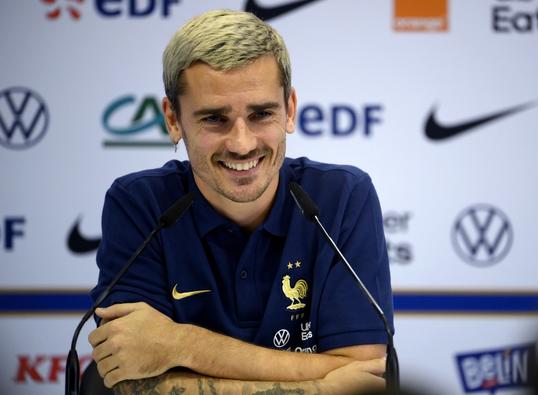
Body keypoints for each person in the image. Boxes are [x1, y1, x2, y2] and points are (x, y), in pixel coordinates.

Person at [87, 9, 394, 395]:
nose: (242, 143)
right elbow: (127, 381)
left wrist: (180, 344)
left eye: (261, 114)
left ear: (290, 109)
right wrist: (320, 386)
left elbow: (365, 377)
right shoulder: (139, 203)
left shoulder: (343, 196)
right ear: (173, 120)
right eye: (215, 118)